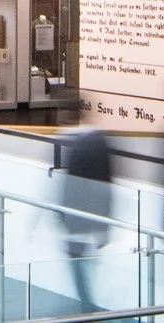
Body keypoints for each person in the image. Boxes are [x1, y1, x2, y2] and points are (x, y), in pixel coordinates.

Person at [57, 123, 115, 309]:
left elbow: (68, 187)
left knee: (79, 265)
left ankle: (87, 306)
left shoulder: (81, 146)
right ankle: (87, 305)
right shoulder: (98, 144)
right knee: (82, 265)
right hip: (87, 218)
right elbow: (106, 185)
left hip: (78, 218)